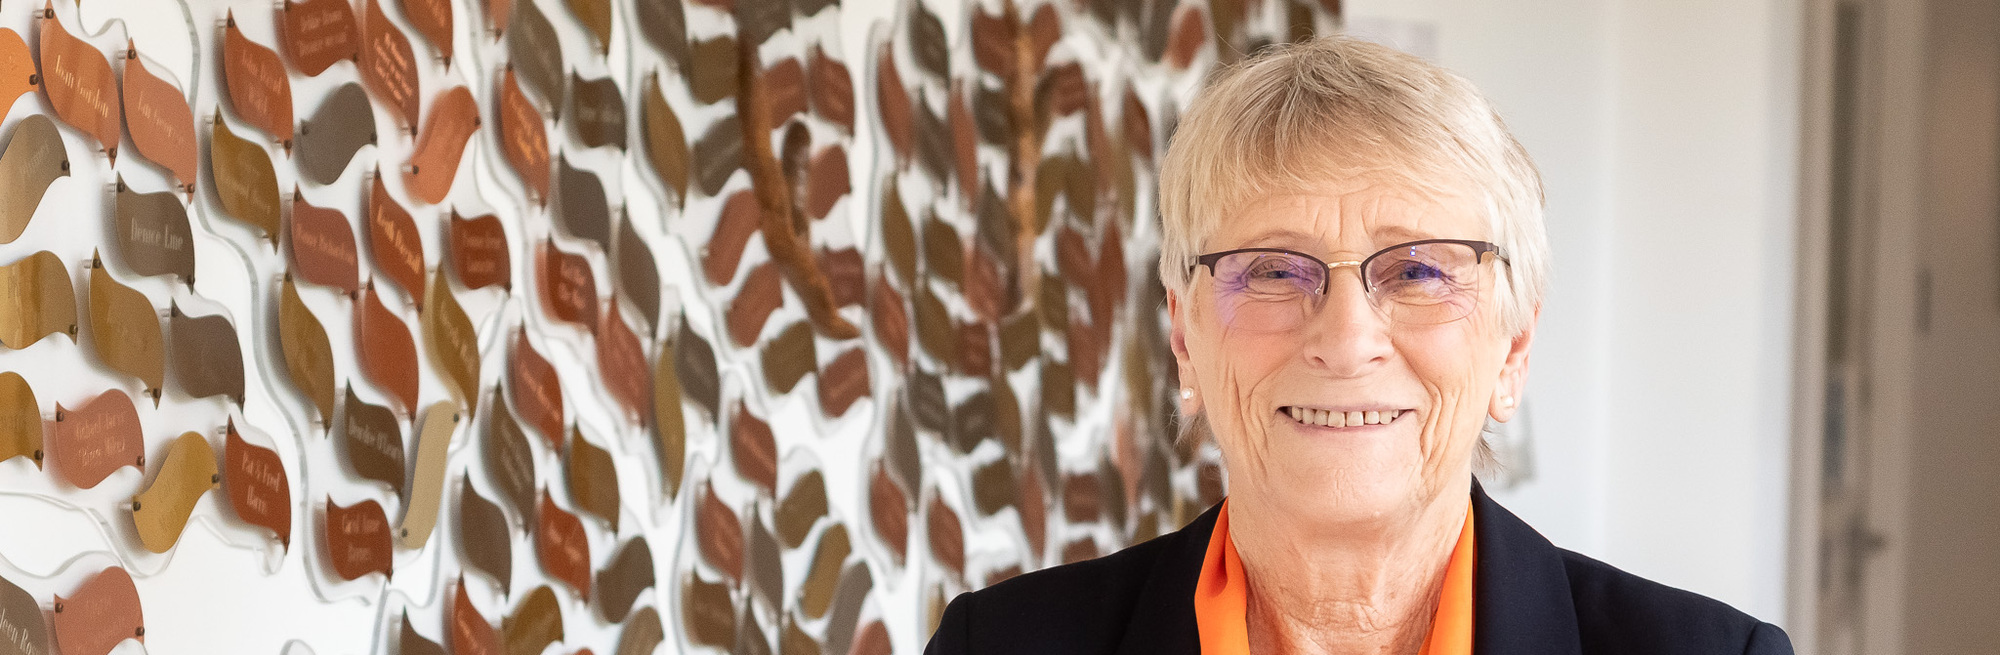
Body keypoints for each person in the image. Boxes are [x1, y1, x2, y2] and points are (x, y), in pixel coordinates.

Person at [923, 36, 1792, 655]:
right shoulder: (995, 642)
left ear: (1514, 347)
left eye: (1417, 272)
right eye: (1272, 270)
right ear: (1184, 337)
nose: (1345, 338)